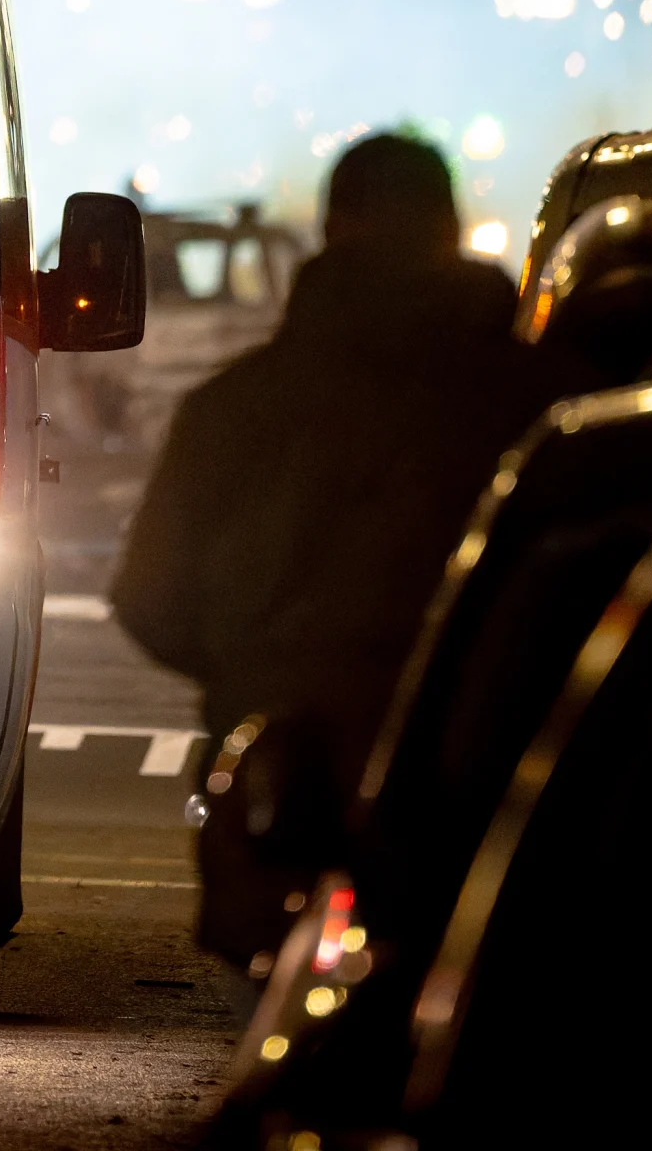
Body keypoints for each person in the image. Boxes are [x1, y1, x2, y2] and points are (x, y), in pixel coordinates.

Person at [109, 133, 553, 950]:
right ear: (451, 231)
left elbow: (149, 597)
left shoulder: (238, 408)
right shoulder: (543, 411)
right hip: (488, 814)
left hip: (287, 803)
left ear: (332, 229)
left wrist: (254, 668)